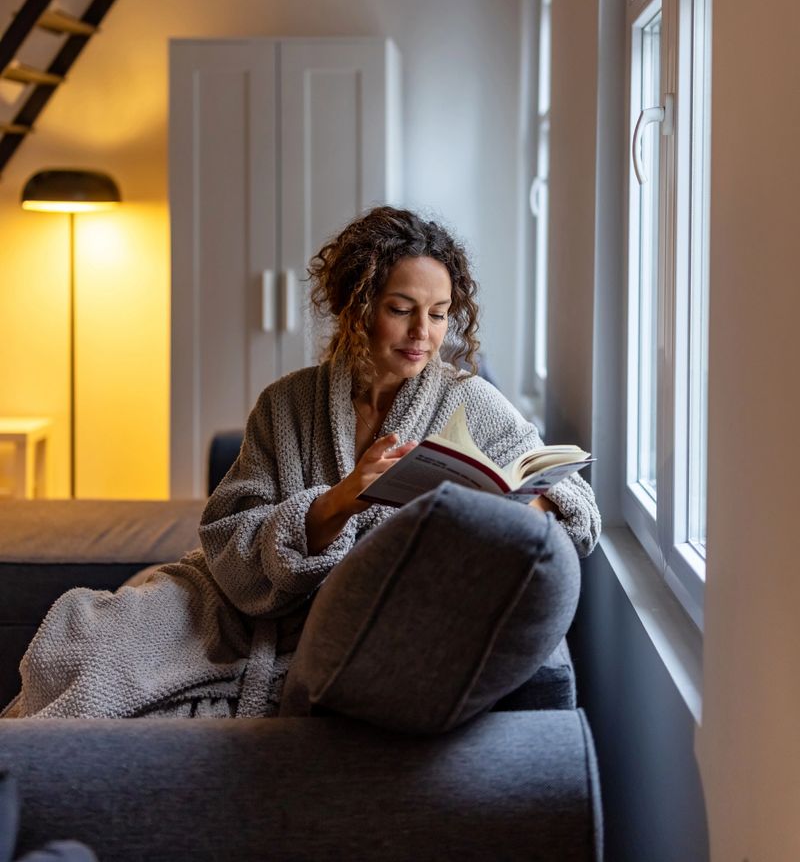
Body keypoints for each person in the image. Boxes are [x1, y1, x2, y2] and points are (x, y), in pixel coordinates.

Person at [6, 207, 599, 721]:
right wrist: (340, 500)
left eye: (440, 313)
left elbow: (578, 507)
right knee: (86, 640)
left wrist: (519, 509)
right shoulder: (287, 403)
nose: (424, 333)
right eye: (402, 309)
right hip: (230, 607)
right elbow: (228, 539)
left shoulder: (469, 401)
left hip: (337, 628)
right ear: (356, 308)